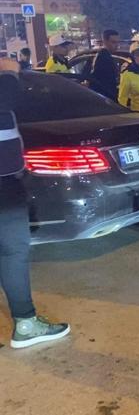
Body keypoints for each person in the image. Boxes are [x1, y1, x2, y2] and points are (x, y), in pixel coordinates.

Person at [0, 58, 70, 349]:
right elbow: (6, 97)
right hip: (3, 182)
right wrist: (8, 71)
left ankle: (27, 323)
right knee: (13, 250)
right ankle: (26, 324)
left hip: (8, 179)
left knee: (12, 251)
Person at [90, 29, 121, 100]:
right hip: (105, 97)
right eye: (113, 42)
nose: (117, 45)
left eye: (117, 42)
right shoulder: (103, 57)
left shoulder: (104, 55)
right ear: (105, 41)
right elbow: (103, 80)